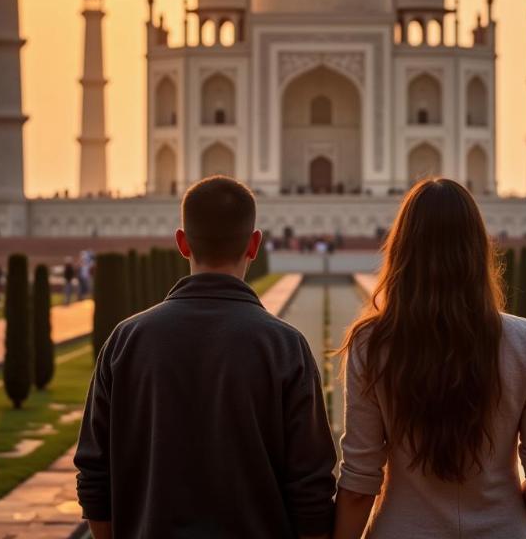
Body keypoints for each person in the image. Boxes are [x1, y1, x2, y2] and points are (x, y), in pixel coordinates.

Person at [75, 175, 336, 539]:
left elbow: (94, 477)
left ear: (181, 242)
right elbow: (311, 488)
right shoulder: (283, 346)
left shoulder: (127, 341)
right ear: (254, 244)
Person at [334, 178, 526, 539]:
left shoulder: (372, 343)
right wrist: (502, 516)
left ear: (401, 251)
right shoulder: (525, 342)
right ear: (477, 249)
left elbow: (359, 482)